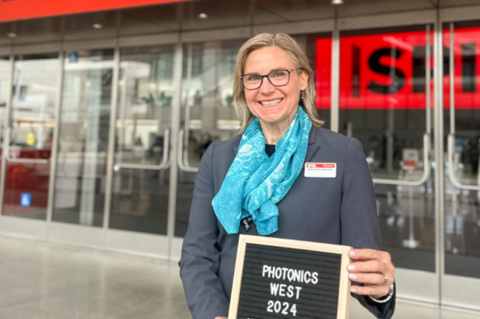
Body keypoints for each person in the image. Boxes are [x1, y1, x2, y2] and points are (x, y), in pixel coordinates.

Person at [179, 33, 395, 319]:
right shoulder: (218, 157)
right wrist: (214, 315)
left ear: (303, 79)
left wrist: (381, 287)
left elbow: (364, 262)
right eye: (253, 78)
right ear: (243, 87)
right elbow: (197, 254)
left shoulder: (343, 154)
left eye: (279, 74)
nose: (265, 88)